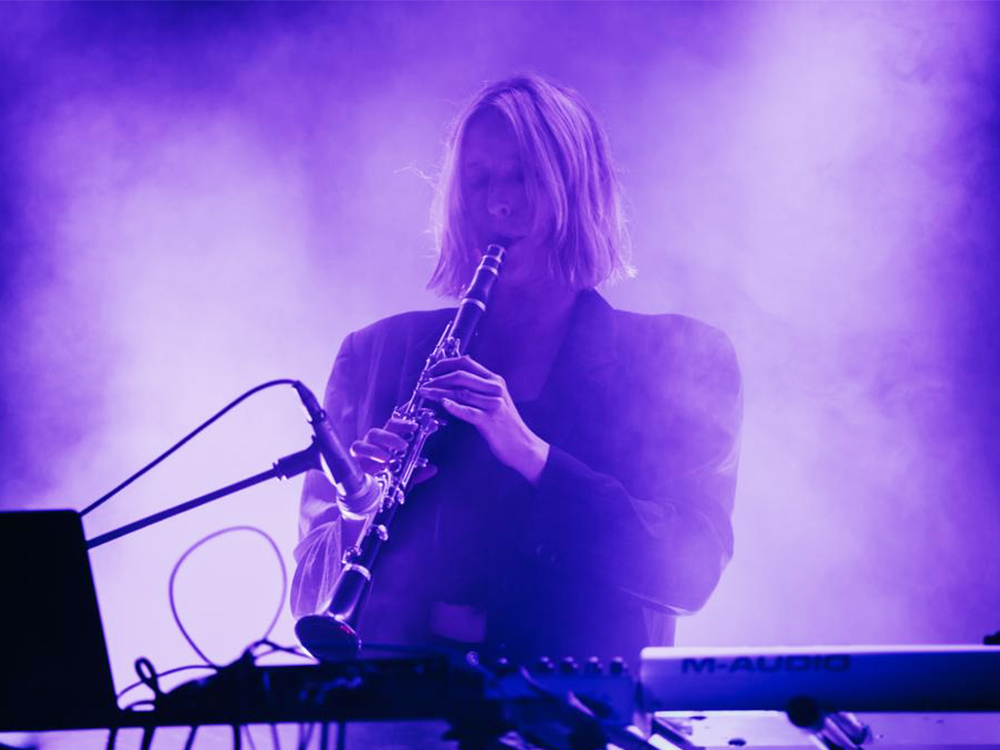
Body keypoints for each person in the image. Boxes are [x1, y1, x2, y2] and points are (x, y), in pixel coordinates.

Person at [290, 74, 742, 674]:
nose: (499, 203)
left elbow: (689, 572)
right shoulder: (376, 356)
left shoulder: (681, 358)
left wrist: (532, 455)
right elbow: (306, 600)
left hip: (577, 722)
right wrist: (357, 514)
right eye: (478, 180)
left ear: (579, 190)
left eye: (524, 176)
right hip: (397, 719)